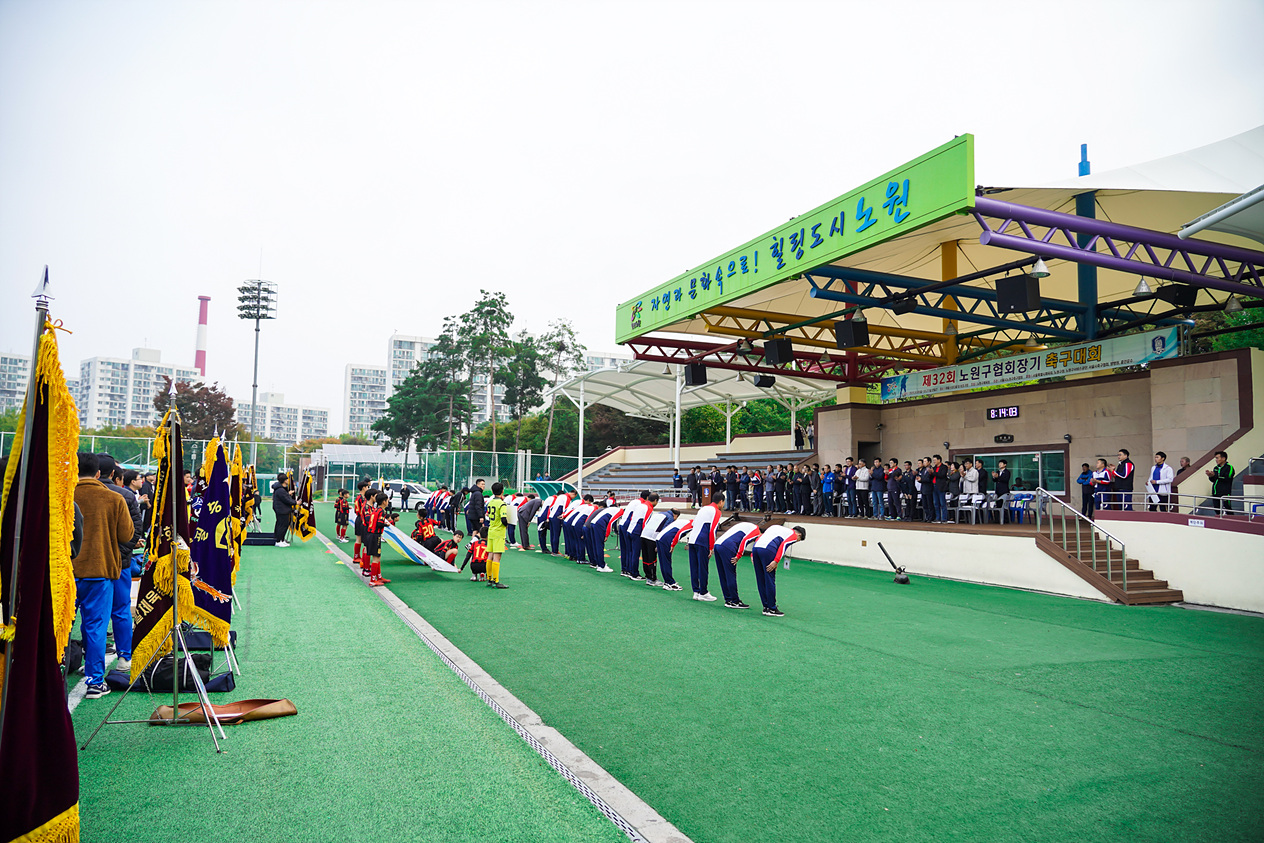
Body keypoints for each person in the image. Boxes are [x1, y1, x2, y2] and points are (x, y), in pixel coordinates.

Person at [73, 452, 136, 699]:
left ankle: (55, 675)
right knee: (95, 627)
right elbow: (126, 534)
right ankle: (95, 681)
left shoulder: (59, 496)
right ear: (99, 473)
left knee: (60, 628)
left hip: (64, 571)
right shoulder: (113, 498)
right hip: (98, 571)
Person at [751, 525, 806, 616]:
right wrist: (776, 561)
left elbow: (759, 537)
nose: (796, 541)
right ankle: (772, 608)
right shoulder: (792, 534)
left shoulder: (777, 528)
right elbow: (783, 546)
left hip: (756, 548)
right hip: (768, 549)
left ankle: (766, 607)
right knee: (769, 579)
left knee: (760, 579)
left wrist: (753, 554)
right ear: (799, 534)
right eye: (798, 540)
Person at [712, 520, 760, 608]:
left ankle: (728, 599)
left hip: (718, 544)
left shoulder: (745, 525)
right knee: (730, 574)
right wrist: (739, 555)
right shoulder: (756, 530)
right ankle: (735, 601)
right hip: (728, 546)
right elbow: (744, 541)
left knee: (722, 574)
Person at [686, 491, 724, 601]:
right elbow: (712, 530)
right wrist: (711, 547)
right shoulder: (716, 511)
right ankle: (703, 592)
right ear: (721, 502)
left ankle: (696, 592)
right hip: (702, 541)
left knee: (694, 566)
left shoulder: (703, 508)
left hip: (692, 539)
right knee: (703, 567)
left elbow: (694, 524)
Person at [652, 512, 692, 591]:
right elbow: (680, 533)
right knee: (666, 561)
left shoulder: (686, 521)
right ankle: (670, 583)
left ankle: (667, 582)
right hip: (665, 539)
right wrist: (673, 545)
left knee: (664, 561)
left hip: (660, 538)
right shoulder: (691, 524)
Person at [364, 491, 394, 586]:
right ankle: (373, 580)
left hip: (370, 534)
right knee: (376, 558)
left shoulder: (376, 509)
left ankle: (379, 577)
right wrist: (387, 524)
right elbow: (379, 523)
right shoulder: (382, 511)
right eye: (387, 500)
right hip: (375, 535)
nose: (388, 502)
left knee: (378, 557)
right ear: (384, 502)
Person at [584, 500, 622, 571]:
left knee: (595, 544)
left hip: (593, 523)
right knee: (599, 545)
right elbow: (611, 523)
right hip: (599, 524)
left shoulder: (610, 509)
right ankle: (601, 566)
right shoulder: (620, 511)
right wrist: (606, 535)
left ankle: (597, 563)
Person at [485, 482, 509, 589]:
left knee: (490, 554)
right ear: (502, 491)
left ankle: (489, 578)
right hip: (499, 532)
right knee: (497, 557)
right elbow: (503, 519)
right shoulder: (502, 504)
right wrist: (507, 524)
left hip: (491, 530)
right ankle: (496, 580)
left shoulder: (490, 503)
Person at [272, 472, 297, 547]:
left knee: (282, 524)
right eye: (287, 479)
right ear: (284, 481)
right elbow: (286, 500)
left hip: (281, 510)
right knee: (282, 525)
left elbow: (284, 496)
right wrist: (296, 502)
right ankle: (279, 541)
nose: (288, 480)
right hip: (282, 510)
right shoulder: (280, 490)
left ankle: (281, 539)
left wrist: (288, 493)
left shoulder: (281, 489)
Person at [930, 455, 949, 523]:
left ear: (939, 460)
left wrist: (933, 472)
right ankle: (938, 518)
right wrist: (930, 473)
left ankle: (944, 518)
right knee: (936, 503)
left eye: (935, 460)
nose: (934, 462)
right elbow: (932, 476)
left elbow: (942, 475)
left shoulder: (944, 467)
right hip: (934, 486)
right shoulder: (934, 468)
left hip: (941, 487)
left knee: (942, 503)